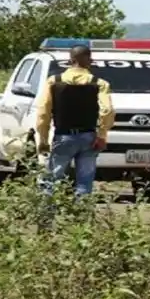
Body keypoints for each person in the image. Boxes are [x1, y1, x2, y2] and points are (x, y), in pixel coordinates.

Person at [35, 45, 115, 196]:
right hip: (89, 137)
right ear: (89, 60)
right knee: (85, 182)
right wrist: (102, 135)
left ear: (70, 60)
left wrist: (43, 140)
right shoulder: (100, 83)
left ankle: (46, 216)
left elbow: (43, 113)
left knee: (51, 180)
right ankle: (81, 216)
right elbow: (107, 110)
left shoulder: (53, 82)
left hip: (63, 136)